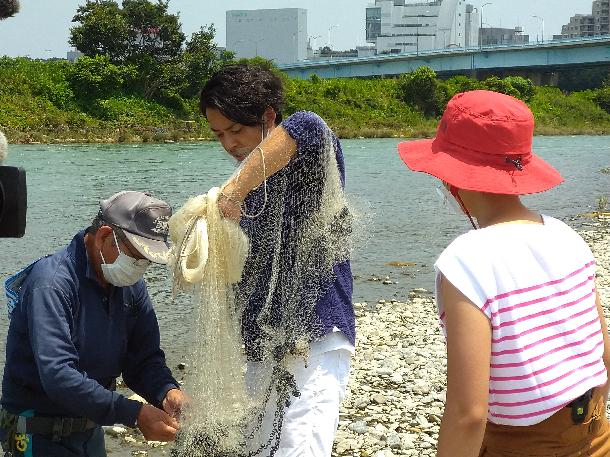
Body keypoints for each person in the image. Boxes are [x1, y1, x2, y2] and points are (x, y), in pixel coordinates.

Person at [397, 89, 610, 457]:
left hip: (519, 445)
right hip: (594, 430)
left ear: (453, 177)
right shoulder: (565, 234)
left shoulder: (466, 260)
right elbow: (602, 352)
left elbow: (469, 414)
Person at [198, 63, 355, 457]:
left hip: (314, 338)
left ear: (268, 116)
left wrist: (232, 191)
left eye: (236, 130)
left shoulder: (310, 146)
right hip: (265, 345)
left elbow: (303, 127)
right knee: (261, 449)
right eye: (218, 134)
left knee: (297, 449)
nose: (228, 143)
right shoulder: (253, 189)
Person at [1, 191, 185, 457]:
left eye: (147, 262)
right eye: (136, 257)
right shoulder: (51, 284)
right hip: (35, 434)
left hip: (88, 432)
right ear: (103, 236)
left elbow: (143, 359)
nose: (139, 268)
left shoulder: (129, 285)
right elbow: (59, 375)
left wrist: (166, 392)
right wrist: (134, 414)